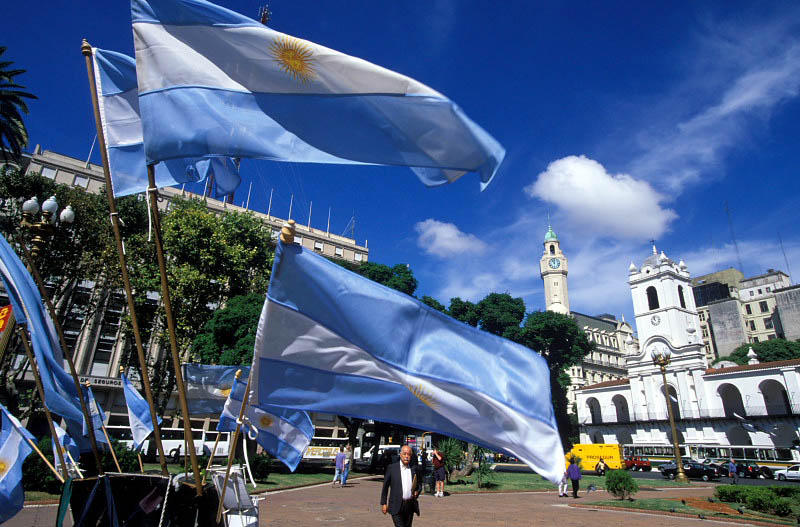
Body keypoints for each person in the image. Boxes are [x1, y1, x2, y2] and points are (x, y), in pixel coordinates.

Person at [381, 445, 420, 527]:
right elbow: (385, 487)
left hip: (409, 505)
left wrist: (417, 492)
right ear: (400, 454)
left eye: (409, 454)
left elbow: (419, 485)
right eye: (404, 454)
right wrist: (383, 503)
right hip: (396, 505)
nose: (406, 456)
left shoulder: (414, 469)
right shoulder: (392, 468)